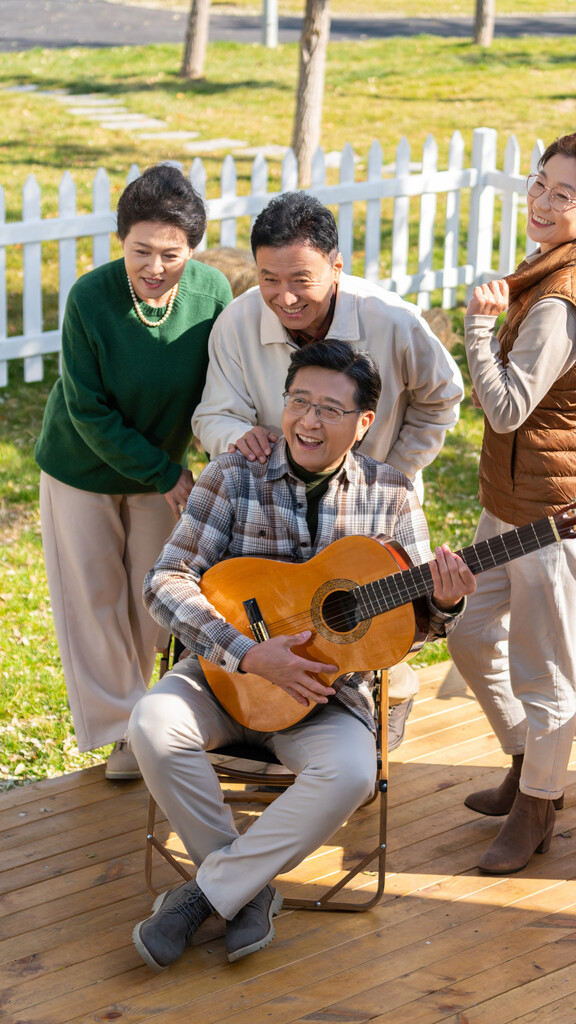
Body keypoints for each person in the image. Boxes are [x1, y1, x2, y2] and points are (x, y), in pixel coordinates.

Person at [128, 340, 476, 971]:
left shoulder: (391, 496)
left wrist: (444, 607)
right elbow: (165, 579)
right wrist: (247, 654)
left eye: (330, 410)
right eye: (300, 402)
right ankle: (248, 890)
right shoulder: (234, 473)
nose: (309, 421)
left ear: (363, 423)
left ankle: (209, 893)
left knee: (350, 773)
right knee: (153, 723)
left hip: (325, 698)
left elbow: (407, 632)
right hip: (222, 679)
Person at [191, 190, 465, 748]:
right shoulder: (238, 323)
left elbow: (444, 398)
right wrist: (237, 438)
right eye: (269, 279)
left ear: (337, 266)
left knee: (376, 620)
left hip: (368, 510)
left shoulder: (395, 321)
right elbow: (213, 412)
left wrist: (394, 472)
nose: (284, 297)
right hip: (267, 515)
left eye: (301, 279)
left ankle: (375, 702)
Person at [447, 131, 576, 875]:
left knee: (546, 673)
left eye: (561, 194)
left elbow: (504, 409)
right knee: (469, 635)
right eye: (537, 184)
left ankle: (537, 810)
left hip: (554, 516)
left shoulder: (562, 301)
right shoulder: (553, 268)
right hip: (514, 501)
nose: (540, 201)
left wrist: (472, 324)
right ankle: (527, 760)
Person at [35, 164, 232, 780]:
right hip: (80, 469)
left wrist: (195, 464)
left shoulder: (212, 295)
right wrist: (165, 474)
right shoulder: (90, 298)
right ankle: (124, 733)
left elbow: (219, 387)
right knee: (93, 597)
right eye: (140, 251)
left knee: (154, 597)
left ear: (191, 249)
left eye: (170, 254)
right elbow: (86, 409)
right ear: (121, 242)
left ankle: (146, 714)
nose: (154, 267)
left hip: (162, 471)